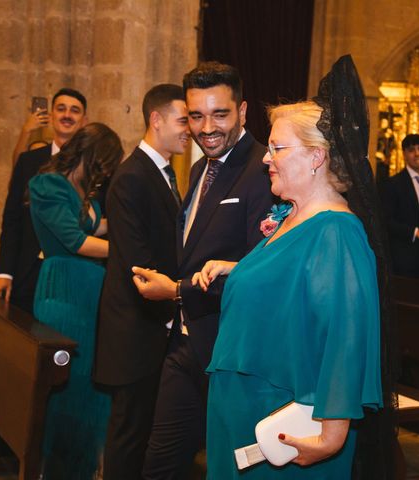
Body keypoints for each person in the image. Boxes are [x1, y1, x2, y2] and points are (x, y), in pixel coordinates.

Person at [135, 56, 394, 479]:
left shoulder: (337, 231)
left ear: (316, 156)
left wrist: (330, 436)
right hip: (245, 411)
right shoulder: (293, 218)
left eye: (277, 148)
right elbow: (291, 287)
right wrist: (235, 270)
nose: (266, 158)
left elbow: (345, 334)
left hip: (284, 425)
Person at [131, 62, 273, 478]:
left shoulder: (265, 169)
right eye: (196, 115)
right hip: (186, 343)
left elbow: (255, 271)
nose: (206, 127)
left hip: (230, 351)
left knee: (231, 467)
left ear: (243, 112)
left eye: (220, 114)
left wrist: (176, 291)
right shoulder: (198, 168)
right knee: (159, 464)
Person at [93, 84, 188, 480]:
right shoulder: (133, 175)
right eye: (184, 120)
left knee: (144, 432)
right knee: (129, 435)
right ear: (157, 119)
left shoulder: (162, 172)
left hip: (153, 325)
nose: (191, 129)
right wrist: (176, 307)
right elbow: (138, 265)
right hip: (137, 328)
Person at [28, 122, 123, 479]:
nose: (110, 171)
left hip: (91, 293)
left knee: (91, 384)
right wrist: (126, 253)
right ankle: (53, 470)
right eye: (110, 162)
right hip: (63, 291)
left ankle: (81, 469)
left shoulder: (87, 194)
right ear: (96, 155)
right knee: (66, 385)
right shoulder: (47, 184)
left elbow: (98, 227)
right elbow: (75, 241)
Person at [0, 88, 88, 313]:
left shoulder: (92, 166)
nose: (67, 115)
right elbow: (12, 220)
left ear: (84, 121)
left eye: (74, 111)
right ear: (52, 116)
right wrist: (4, 273)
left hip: (74, 273)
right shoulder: (28, 161)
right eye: (61, 109)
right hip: (28, 272)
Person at [382, 133, 419, 279]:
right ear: (404, 155)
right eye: (411, 150)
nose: (417, 154)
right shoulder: (393, 184)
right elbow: (386, 221)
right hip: (402, 257)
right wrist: (416, 232)